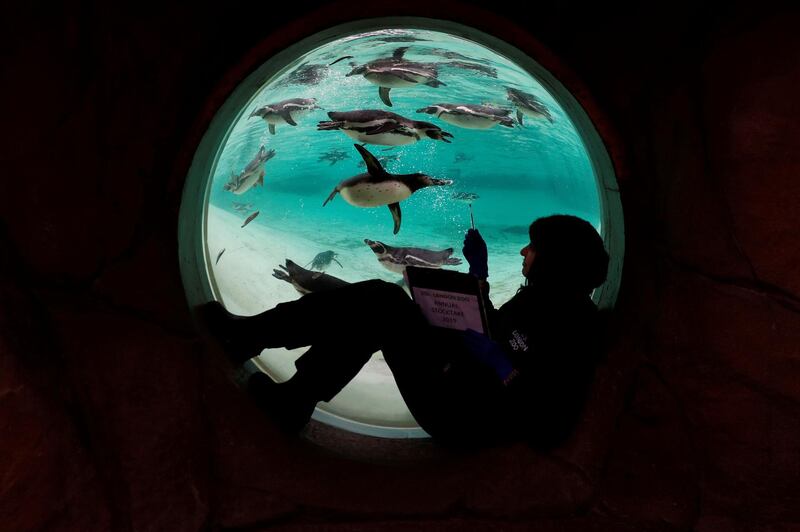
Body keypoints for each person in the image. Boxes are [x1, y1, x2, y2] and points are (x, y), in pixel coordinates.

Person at [200, 214, 609, 450]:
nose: (523, 252)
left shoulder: (578, 327)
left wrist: (501, 364)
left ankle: (262, 352)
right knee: (380, 302)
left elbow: (548, 420)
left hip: (464, 416)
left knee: (380, 304)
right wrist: (478, 276)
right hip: (461, 375)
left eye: (533, 247)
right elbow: (500, 328)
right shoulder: (543, 297)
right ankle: (284, 384)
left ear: (556, 261)